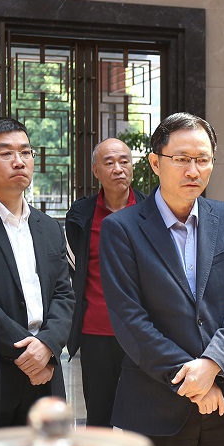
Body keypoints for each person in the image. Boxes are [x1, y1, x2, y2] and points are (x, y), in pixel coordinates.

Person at [99, 112, 224, 446]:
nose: (194, 170)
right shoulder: (122, 229)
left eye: (203, 159)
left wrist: (212, 365)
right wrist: (192, 380)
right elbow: (130, 319)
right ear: (155, 163)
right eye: (182, 159)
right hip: (156, 404)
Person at [0, 118, 75, 426]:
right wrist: (29, 351)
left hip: (47, 371)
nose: (19, 161)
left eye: (25, 152)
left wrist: (47, 346)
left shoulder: (49, 227)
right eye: (6, 153)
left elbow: (64, 294)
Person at [64, 138, 147, 427]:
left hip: (143, 333)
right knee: (100, 419)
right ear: (96, 170)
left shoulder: (151, 210)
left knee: (143, 420)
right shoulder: (81, 215)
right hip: (95, 332)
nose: (118, 168)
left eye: (124, 161)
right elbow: (74, 270)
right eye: (109, 162)